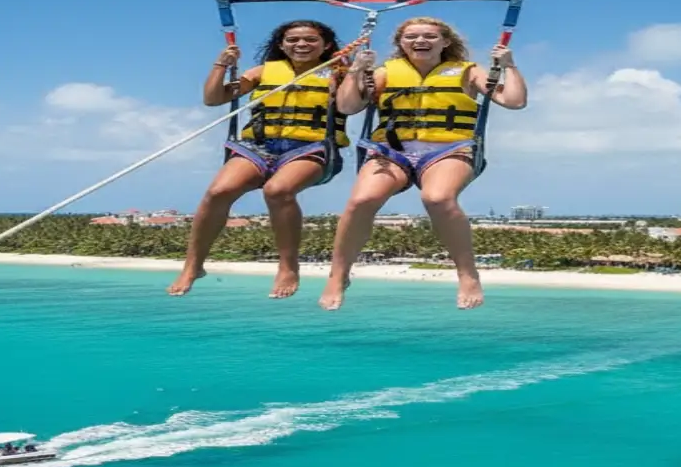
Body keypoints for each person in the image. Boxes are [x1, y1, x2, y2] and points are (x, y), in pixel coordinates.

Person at [318, 17, 526, 311]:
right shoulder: (385, 73)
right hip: (392, 149)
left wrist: (508, 65)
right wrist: (355, 71)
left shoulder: (469, 72)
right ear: (401, 44)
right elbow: (347, 107)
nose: (420, 41)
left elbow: (514, 101)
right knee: (361, 200)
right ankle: (338, 275)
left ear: (445, 42)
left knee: (437, 198)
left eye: (429, 36)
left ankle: (467, 274)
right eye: (411, 36)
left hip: (450, 148)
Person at [168, 20, 347, 299]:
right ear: (281, 44)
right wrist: (221, 65)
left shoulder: (340, 72)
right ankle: (193, 265)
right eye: (293, 40)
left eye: (310, 40)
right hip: (259, 146)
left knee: (278, 190)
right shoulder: (263, 72)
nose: (301, 45)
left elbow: (356, 103)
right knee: (218, 192)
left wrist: (357, 73)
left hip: (312, 146)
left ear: (326, 45)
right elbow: (213, 99)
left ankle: (288, 266)